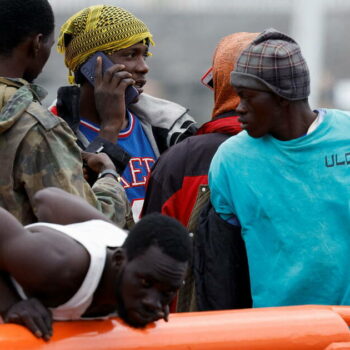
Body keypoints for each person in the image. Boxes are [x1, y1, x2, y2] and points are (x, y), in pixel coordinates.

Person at [209, 28, 350, 308]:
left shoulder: (346, 135)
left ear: (283, 96)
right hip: (276, 331)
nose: (239, 108)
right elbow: (222, 270)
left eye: (248, 97)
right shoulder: (230, 160)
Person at [142, 32, 258, 311]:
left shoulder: (179, 161)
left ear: (220, 88)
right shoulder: (312, 154)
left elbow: (148, 260)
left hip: (189, 331)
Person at [51, 5, 197, 221]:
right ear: (92, 65)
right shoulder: (50, 130)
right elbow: (81, 215)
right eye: (130, 55)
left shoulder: (169, 126)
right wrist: (110, 126)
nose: (143, 67)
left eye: (144, 55)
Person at [0, 0, 131, 227]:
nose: (141, 67)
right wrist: (109, 174)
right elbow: (89, 225)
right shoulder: (37, 127)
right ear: (37, 44)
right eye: (130, 54)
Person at [0, 187, 191, 341]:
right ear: (118, 261)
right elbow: (44, 198)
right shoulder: (56, 268)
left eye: (166, 292)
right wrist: (9, 305)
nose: (152, 303)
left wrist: (158, 294)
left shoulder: (139, 260)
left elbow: (48, 199)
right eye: (146, 283)